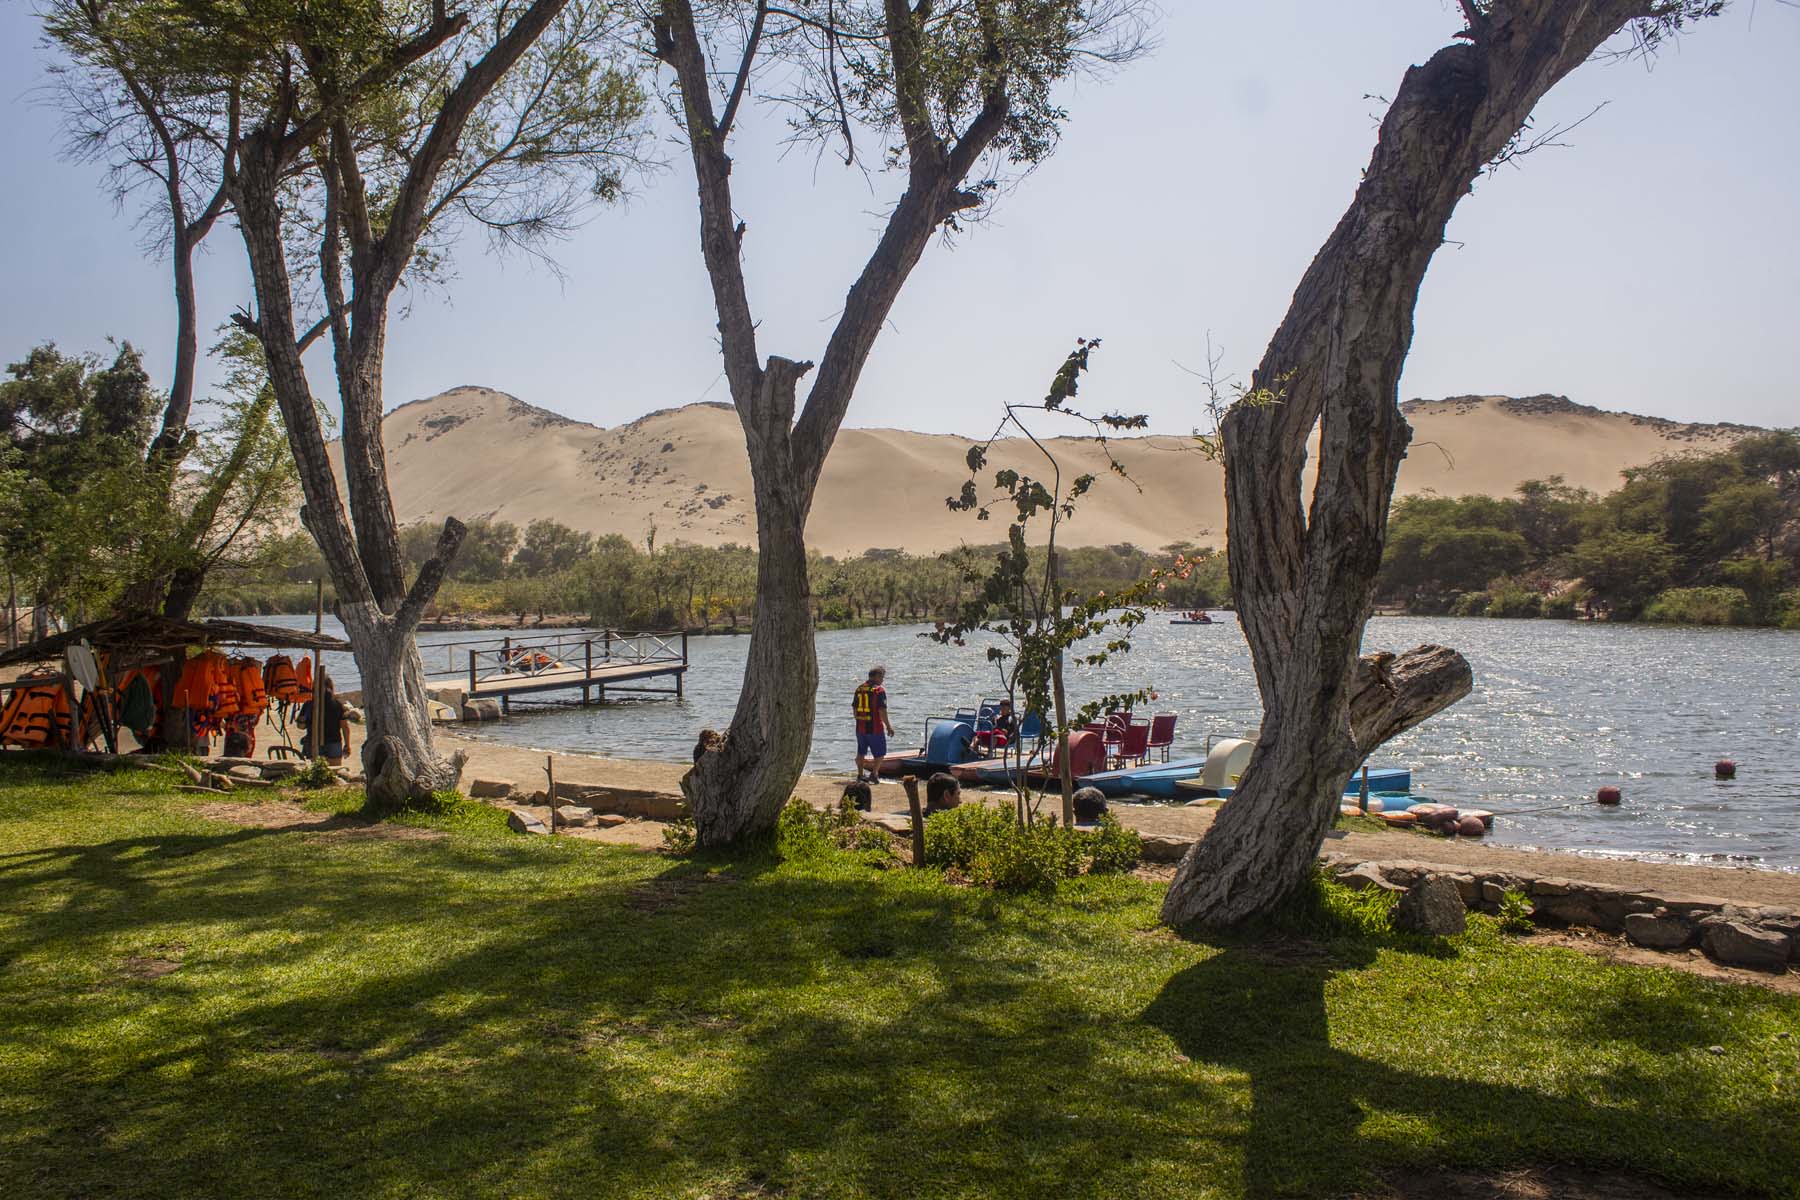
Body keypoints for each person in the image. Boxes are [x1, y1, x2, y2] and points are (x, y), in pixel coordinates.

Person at [296, 674, 351, 765]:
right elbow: (345, 727)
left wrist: (302, 720)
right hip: (333, 742)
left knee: (318, 772)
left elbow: (301, 726)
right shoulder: (337, 705)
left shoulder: (309, 704)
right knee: (335, 772)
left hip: (314, 742)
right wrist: (347, 744)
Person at [852, 666, 895, 783]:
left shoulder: (859, 689)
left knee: (861, 752)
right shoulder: (879, 690)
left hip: (860, 727)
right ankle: (874, 774)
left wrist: (859, 720)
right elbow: (882, 711)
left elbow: (855, 710)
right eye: (882, 677)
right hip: (875, 728)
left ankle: (860, 774)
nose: (883, 680)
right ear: (877, 676)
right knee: (880, 753)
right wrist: (889, 726)